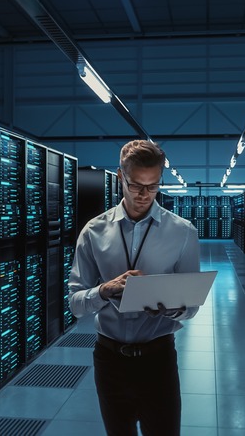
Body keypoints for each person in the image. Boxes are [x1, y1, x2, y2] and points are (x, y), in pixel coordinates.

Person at [68, 139, 201, 436]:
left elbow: (191, 307)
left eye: (153, 186)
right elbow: (75, 303)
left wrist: (176, 307)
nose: (144, 195)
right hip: (109, 360)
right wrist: (103, 290)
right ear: (120, 176)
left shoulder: (182, 232)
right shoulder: (93, 231)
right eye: (136, 185)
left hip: (159, 360)